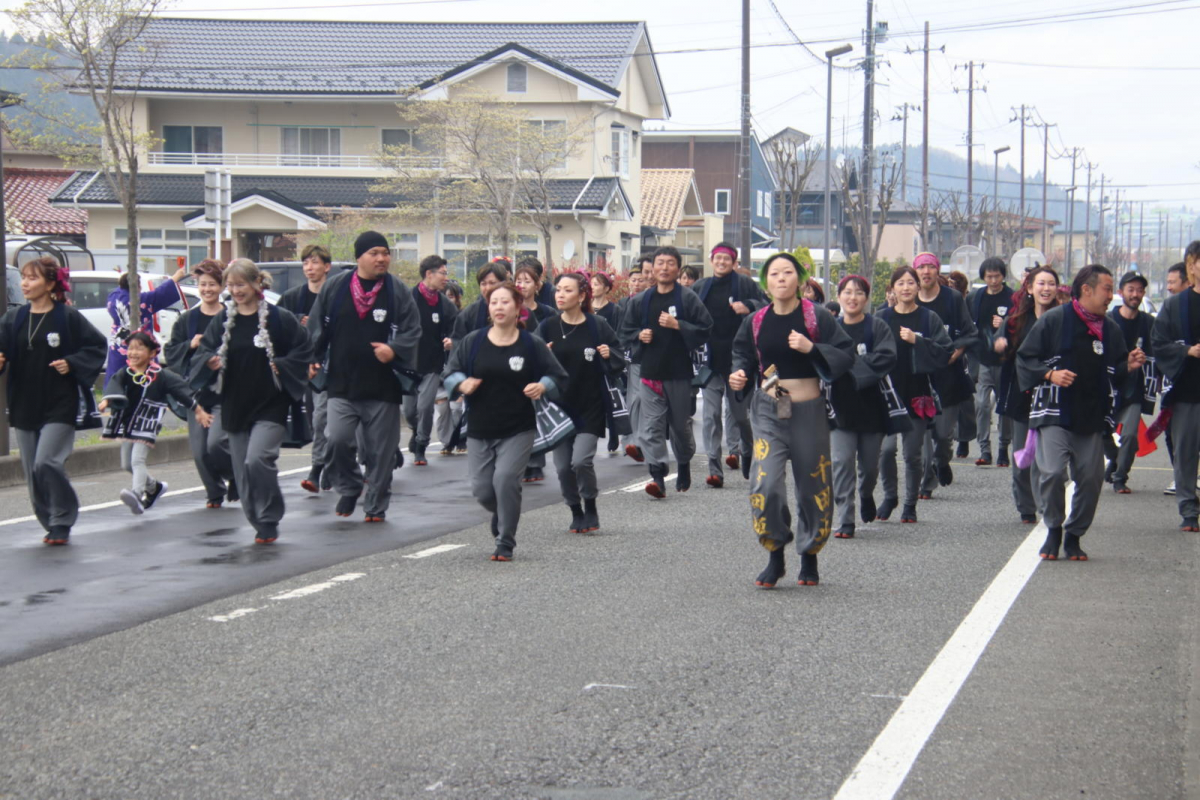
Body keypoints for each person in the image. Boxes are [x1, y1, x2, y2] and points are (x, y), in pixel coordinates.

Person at [729, 253, 855, 587]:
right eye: (774, 273)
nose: (781, 278)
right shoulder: (756, 320)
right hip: (769, 409)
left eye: (788, 272)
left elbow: (845, 354)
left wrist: (811, 348)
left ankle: (809, 556)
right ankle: (775, 554)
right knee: (766, 482)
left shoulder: (817, 318)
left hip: (808, 409)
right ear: (765, 282)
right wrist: (739, 373)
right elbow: (743, 353)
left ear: (800, 279)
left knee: (812, 484)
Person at [1017, 265, 1142, 560]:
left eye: (1112, 290)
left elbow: (1117, 371)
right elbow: (1026, 357)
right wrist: (1050, 375)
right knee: (1051, 471)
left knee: (1090, 478)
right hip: (1055, 409)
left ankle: (1074, 534)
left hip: (1092, 414)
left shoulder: (1110, 328)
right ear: (1087, 290)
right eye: (1107, 289)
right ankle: (1054, 529)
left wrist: (1130, 365)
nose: (1112, 296)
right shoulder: (1054, 320)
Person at [444, 282, 568, 560]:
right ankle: (501, 513)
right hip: (480, 428)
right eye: (494, 302)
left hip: (518, 427)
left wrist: (542, 386)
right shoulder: (473, 341)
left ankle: (505, 541)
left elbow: (557, 375)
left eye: (505, 302)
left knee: (505, 480)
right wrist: (461, 384)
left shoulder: (530, 343)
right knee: (482, 489)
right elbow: (450, 373)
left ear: (517, 308)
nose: (499, 307)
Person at [191, 259, 313, 544]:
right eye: (231, 285)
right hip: (235, 401)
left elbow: (303, 347)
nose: (235, 290)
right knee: (241, 469)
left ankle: (270, 515)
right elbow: (202, 354)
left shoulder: (279, 318)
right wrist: (208, 363)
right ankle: (258, 522)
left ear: (257, 283)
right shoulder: (222, 321)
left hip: (271, 402)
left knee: (258, 459)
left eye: (241, 284)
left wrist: (282, 364)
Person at [307, 231, 422, 523]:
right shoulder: (335, 288)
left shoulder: (396, 291)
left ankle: (376, 505)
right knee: (335, 439)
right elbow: (317, 328)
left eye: (385, 253)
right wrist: (312, 359)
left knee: (381, 454)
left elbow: (412, 330)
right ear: (359, 257)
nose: (382, 258)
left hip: (383, 385)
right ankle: (349, 485)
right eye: (374, 253)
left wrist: (394, 350)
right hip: (342, 383)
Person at [0, 257, 105, 545]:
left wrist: (72, 363)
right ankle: (49, 522)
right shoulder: (14, 318)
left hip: (60, 402)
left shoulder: (66, 317)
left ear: (49, 284)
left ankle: (63, 517)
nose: (24, 283)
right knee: (32, 469)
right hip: (23, 402)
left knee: (46, 462)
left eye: (32, 278)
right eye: (23, 277)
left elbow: (96, 345)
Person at [617, 246, 714, 497]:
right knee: (651, 427)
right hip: (649, 373)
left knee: (679, 427)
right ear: (653, 267)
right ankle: (657, 476)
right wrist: (640, 335)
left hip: (679, 373)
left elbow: (705, 327)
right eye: (660, 263)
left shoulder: (687, 298)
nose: (664, 268)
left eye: (670, 263)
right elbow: (624, 332)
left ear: (677, 268)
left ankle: (683, 463)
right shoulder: (641, 300)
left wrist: (678, 325)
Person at [538, 272, 623, 533]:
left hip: (591, 405)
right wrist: (544, 355)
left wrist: (610, 355)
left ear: (582, 295)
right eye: (558, 290)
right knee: (563, 468)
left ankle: (591, 504)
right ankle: (575, 509)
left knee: (580, 461)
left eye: (567, 290)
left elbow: (619, 359)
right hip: (559, 409)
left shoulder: (597, 326)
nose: (560, 295)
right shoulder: (548, 326)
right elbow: (532, 362)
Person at [875, 266, 954, 523]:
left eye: (911, 282)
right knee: (886, 451)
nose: (906, 287)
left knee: (912, 454)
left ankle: (910, 504)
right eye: (901, 283)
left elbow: (945, 351)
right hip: (887, 395)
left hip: (917, 393)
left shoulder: (928, 318)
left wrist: (917, 341)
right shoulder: (881, 317)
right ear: (893, 289)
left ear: (918, 287)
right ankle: (889, 496)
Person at [829, 275, 902, 538]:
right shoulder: (831, 327)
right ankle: (845, 519)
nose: (852, 297)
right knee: (841, 461)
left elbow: (887, 357)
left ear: (866, 298)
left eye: (859, 293)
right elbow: (823, 359)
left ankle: (866, 492)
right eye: (847, 292)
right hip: (839, 408)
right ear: (839, 297)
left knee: (870, 466)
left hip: (873, 408)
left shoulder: (877, 327)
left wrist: (847, 364)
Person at [164, 259, 236, 508]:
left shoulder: (231, 317)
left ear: (222, 286)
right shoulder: (188, 320)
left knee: (216, 444)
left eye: (212, 284)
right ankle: (215, 493)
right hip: (195, 396)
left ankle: (233, 476)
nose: (207, 289)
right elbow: (170, 352)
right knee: (199, 452)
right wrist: (191, 345)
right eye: (203, 284)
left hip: (226, 392)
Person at [690, 242, 763, 487]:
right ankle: (714, 468)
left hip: (740, 363)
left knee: (741, 416)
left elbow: (766, 308)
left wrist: (748, 306)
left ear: (734, 262)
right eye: (717, 258)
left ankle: (748, 452)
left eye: (726, 259)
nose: (721, 262)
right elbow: (687, 314)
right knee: (710, 415)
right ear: (711, 261)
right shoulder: (701, 287)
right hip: (710, 362)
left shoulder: (745, 285)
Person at [995, 265, 1062, 524]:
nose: (1046, 288)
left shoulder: (1063, 318)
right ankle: (1026, 506)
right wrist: (1000, 346)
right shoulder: (1015, 321)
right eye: (1041, 284)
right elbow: (998, 349)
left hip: (1054, 394)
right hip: (1022, 395)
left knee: (1049, 458)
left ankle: (1048, 504)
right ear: (1030, 288)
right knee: (1024, 455)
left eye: (1051, 284)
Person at [101, 332, 196, 515]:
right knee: (126, 464)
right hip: (129, 423)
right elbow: (114, 387)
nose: (133, 352)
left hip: (148, 422)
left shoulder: (160, 375)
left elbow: (180, 389)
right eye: (130, 348)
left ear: (152, 353)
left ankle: (137, 494)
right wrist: (106, 401)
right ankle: (154, 487)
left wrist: (196, 407)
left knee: (137, 460)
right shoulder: (125, 372)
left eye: (139, 348)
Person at [913, 252, 979, 495]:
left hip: (948, 375)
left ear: (937, 270)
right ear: (915, 272)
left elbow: (970, 331)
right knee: (922, 436)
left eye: (931, 267)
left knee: (941, 434)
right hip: (918, 376)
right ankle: (926, 483)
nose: (926, 272)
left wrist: (957, 350)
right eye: (921, 268)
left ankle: (942, 460)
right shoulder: (909, 299)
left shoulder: (952, 299)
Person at [279, 244, 334, 494]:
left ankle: (319, 468)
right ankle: (326, 463)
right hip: (303, 367)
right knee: (316, 419)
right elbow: (277, 328)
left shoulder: (336, 295)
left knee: (324, 417)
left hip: (333, 365)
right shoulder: (292, 298)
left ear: (327, 267)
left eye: (314, 262)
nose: (309, 268)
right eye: (305, 263)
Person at [1152, 243, 1200, 530]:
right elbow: (1158, 343)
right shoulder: (1176, 305)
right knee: (1185, 452)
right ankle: (1188, 511)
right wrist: (1186, 352)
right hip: (1187, 392)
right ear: (1192, 265)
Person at [1105, 271, 1157, 494]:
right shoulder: (1107, 320)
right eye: (1131, 289)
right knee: (1100, 434)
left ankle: (1119, 478)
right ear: (1121, 292)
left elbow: (1160, 351)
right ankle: (1115, 459)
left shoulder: (1149, 323)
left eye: (1139, 290)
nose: (1135, 294)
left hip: (1133, 390)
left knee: (1128, 435)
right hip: (1106, 388)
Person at [403, 255, 458, 466]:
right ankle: (415, 430)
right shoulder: (407, 298)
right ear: (429, 274)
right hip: (407, 366)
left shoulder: (445, 305)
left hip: (432, 366)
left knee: (425, 407)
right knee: (409, 411)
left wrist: (451, 340)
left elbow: (456, 330)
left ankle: (421, 446)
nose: (446, 278)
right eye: (443, 273)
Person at [967, 257, 1016, 466]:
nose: (993, 280)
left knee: (1004, 406)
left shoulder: (1013, 298)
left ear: (1003, 276)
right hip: (984, 359)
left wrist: (1005, 325)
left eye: (997, 276)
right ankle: (984, 449)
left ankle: (1003, 447)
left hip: (1006, 361)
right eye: (989, 276)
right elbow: (968, 324)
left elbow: (1020, 327)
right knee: (981, 403)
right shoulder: (976, 297)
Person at [104, 264, 187, 382]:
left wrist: (123, 278)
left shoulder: (113, 298)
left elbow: (122, 287)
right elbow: (160, 293)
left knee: (116, 377)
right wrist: (176, 276)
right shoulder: (141, 301)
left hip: (118, 345)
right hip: (139, 345)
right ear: (136, 286)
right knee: (144, 374)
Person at [618, 258, 652, 462]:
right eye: (635, 279)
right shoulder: (624, 303)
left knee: (650, 402)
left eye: (644, 277)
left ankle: (646, 441)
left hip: (658, 358)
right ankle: (631, 442)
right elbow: (621, 332)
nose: (639, 282)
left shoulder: (656, 299)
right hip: (634, 355)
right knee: (634, 399)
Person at [1162, 261, 1190, 496]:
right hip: (1182, 390)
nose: (1169, 287)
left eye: (1172, 282)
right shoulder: (1171, 308)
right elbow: (1159, 344)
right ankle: (1183, 484)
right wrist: (1185, 351)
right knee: (1178, 441)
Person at [451, 260, 510, 343]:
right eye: (483, 284)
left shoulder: (515, 309)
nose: (488, 288)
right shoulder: (469, 312)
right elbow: (458, 342)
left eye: (492, 283)